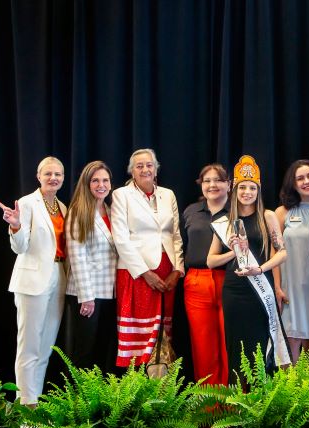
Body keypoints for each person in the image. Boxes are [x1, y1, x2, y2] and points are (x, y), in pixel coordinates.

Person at [207, 155, 289, 379]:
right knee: (237, 347)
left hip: (260, 287)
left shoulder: (267, 216)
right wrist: (232, 252)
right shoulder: (225, 221)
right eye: (242, 187)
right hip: (235, 291)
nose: (247, 192)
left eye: (252, 187)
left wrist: (260, 269)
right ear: (235, 189)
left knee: (262, 346)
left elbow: (282, 253)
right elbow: (211, 261)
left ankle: (264, 403)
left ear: (258, 190)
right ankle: (239, 403)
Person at [0, 156, 67, 406]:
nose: (53, 178)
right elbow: (20, 247)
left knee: (46, 345)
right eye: (48, 174)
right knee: (29, 345)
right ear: (38, 176)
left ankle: (34, 402)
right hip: (32, 280)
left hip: (59, 278)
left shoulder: (63, 207)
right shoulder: (27, 203)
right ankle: (24, 405)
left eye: (58, 174)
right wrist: (15, 226)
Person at [111, 148, 184, 368]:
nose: (145, 169)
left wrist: (178, 270)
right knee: (139, 337)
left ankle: (161, 387)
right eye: (139, 166)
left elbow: (176, 235)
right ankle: (135, 390)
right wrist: (145, 273)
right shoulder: (121, 195)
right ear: (132, 171)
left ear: (156, 169)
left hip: (167, 271)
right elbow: (120, 238)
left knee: (162, 334)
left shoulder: (167, 194)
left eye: (149, 165)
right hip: (136, 272)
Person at [62, 161, 117, 372]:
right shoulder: (78, 212)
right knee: (85, 352)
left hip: (110, 292)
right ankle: (80, 402)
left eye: (105, 180)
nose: (101, 185)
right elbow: (77, 256)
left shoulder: (112, 211)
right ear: (87, 183)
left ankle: (99, 403)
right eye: (95, 180)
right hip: (88, 295)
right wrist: (87, 296)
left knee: (104, 350)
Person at [181, 163, 231, 384]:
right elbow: (180, 245)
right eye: (207, 181)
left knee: (230, 344)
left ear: (229, 184)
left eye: (218, 180)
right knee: (203, 346)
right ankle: (209, 410)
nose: (212, 185)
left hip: (230, 281)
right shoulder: (191, 211)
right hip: (197, 281)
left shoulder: (239, 210)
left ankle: (233, 408)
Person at [274, 159, 309, 362]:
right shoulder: (282, 212)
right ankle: (290, 394)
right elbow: (274, 252)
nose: (306, 181)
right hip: (290, 286)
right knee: (291, 340)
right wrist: (277, 286)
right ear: (292, 183)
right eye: (300, 178)